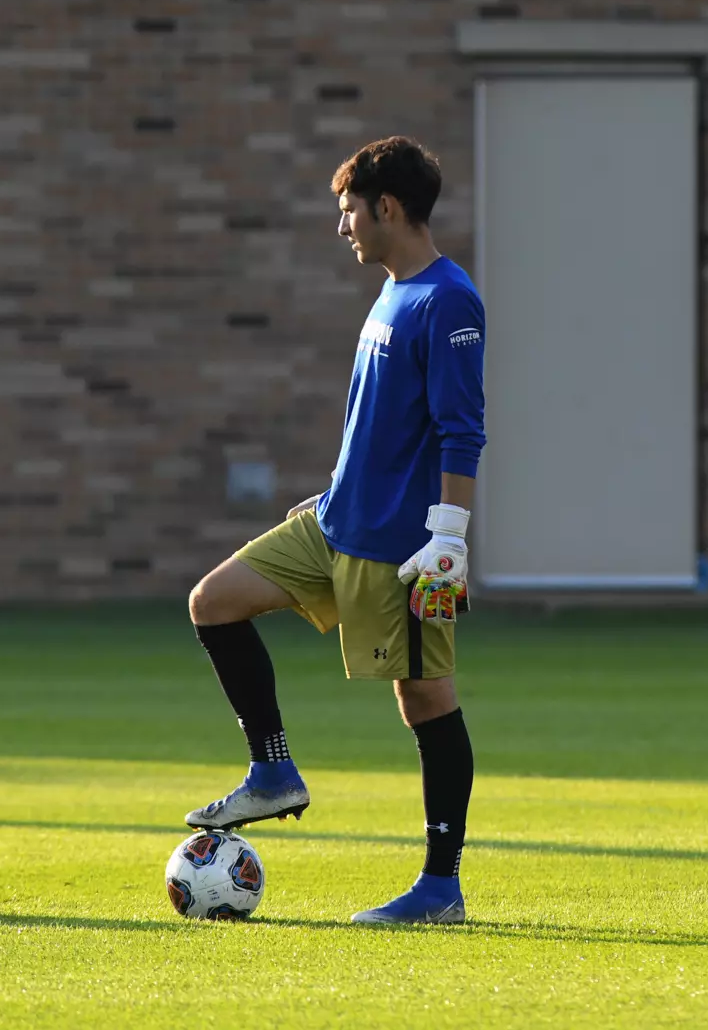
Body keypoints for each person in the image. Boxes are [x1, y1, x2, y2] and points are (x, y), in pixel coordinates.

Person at [184, 136, 486, 925]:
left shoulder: (448, 299)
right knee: (214, 601)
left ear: (387, 206)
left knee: (424, 697)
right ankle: (273, 770)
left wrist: (450, 535)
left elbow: (462, 429)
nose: (342, 225)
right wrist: (329, 494)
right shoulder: (393, 292)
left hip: (407, 548)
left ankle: (440, 887)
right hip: (334, 522)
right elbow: (381, 427)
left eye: (348, 209)